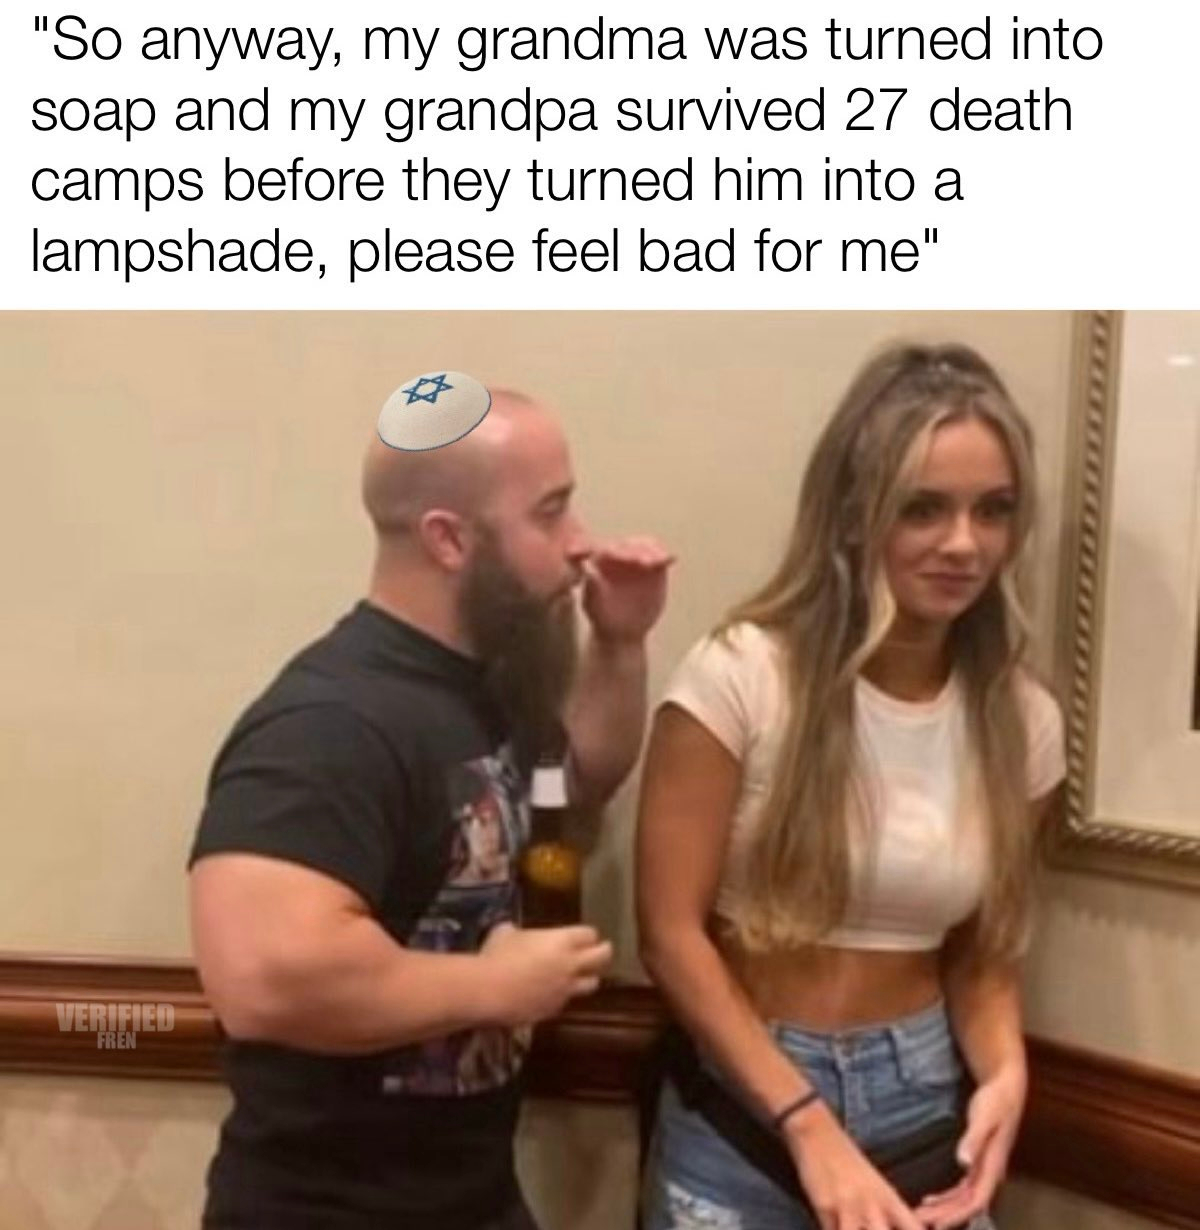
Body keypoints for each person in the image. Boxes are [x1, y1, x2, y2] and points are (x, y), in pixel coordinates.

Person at [189, 386, 672, 1230]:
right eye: (550, 512)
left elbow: (577, 777)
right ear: (448, 539)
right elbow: (264, 980)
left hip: (468, 1197)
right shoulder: (329, 722)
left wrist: (621, 642)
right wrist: (491, 985)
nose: (580, 539)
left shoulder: (487, 681)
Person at [637, 344, 1065, 1230]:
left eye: (993, 510)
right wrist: (807, 1125)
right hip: (745, 1100)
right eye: (923, 508)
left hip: (923, 1101)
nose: (964, 543)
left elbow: (982, 953)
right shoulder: (742, 676)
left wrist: (1006, 1073)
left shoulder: (1021, 720)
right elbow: (670, 935)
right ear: (852, 513)